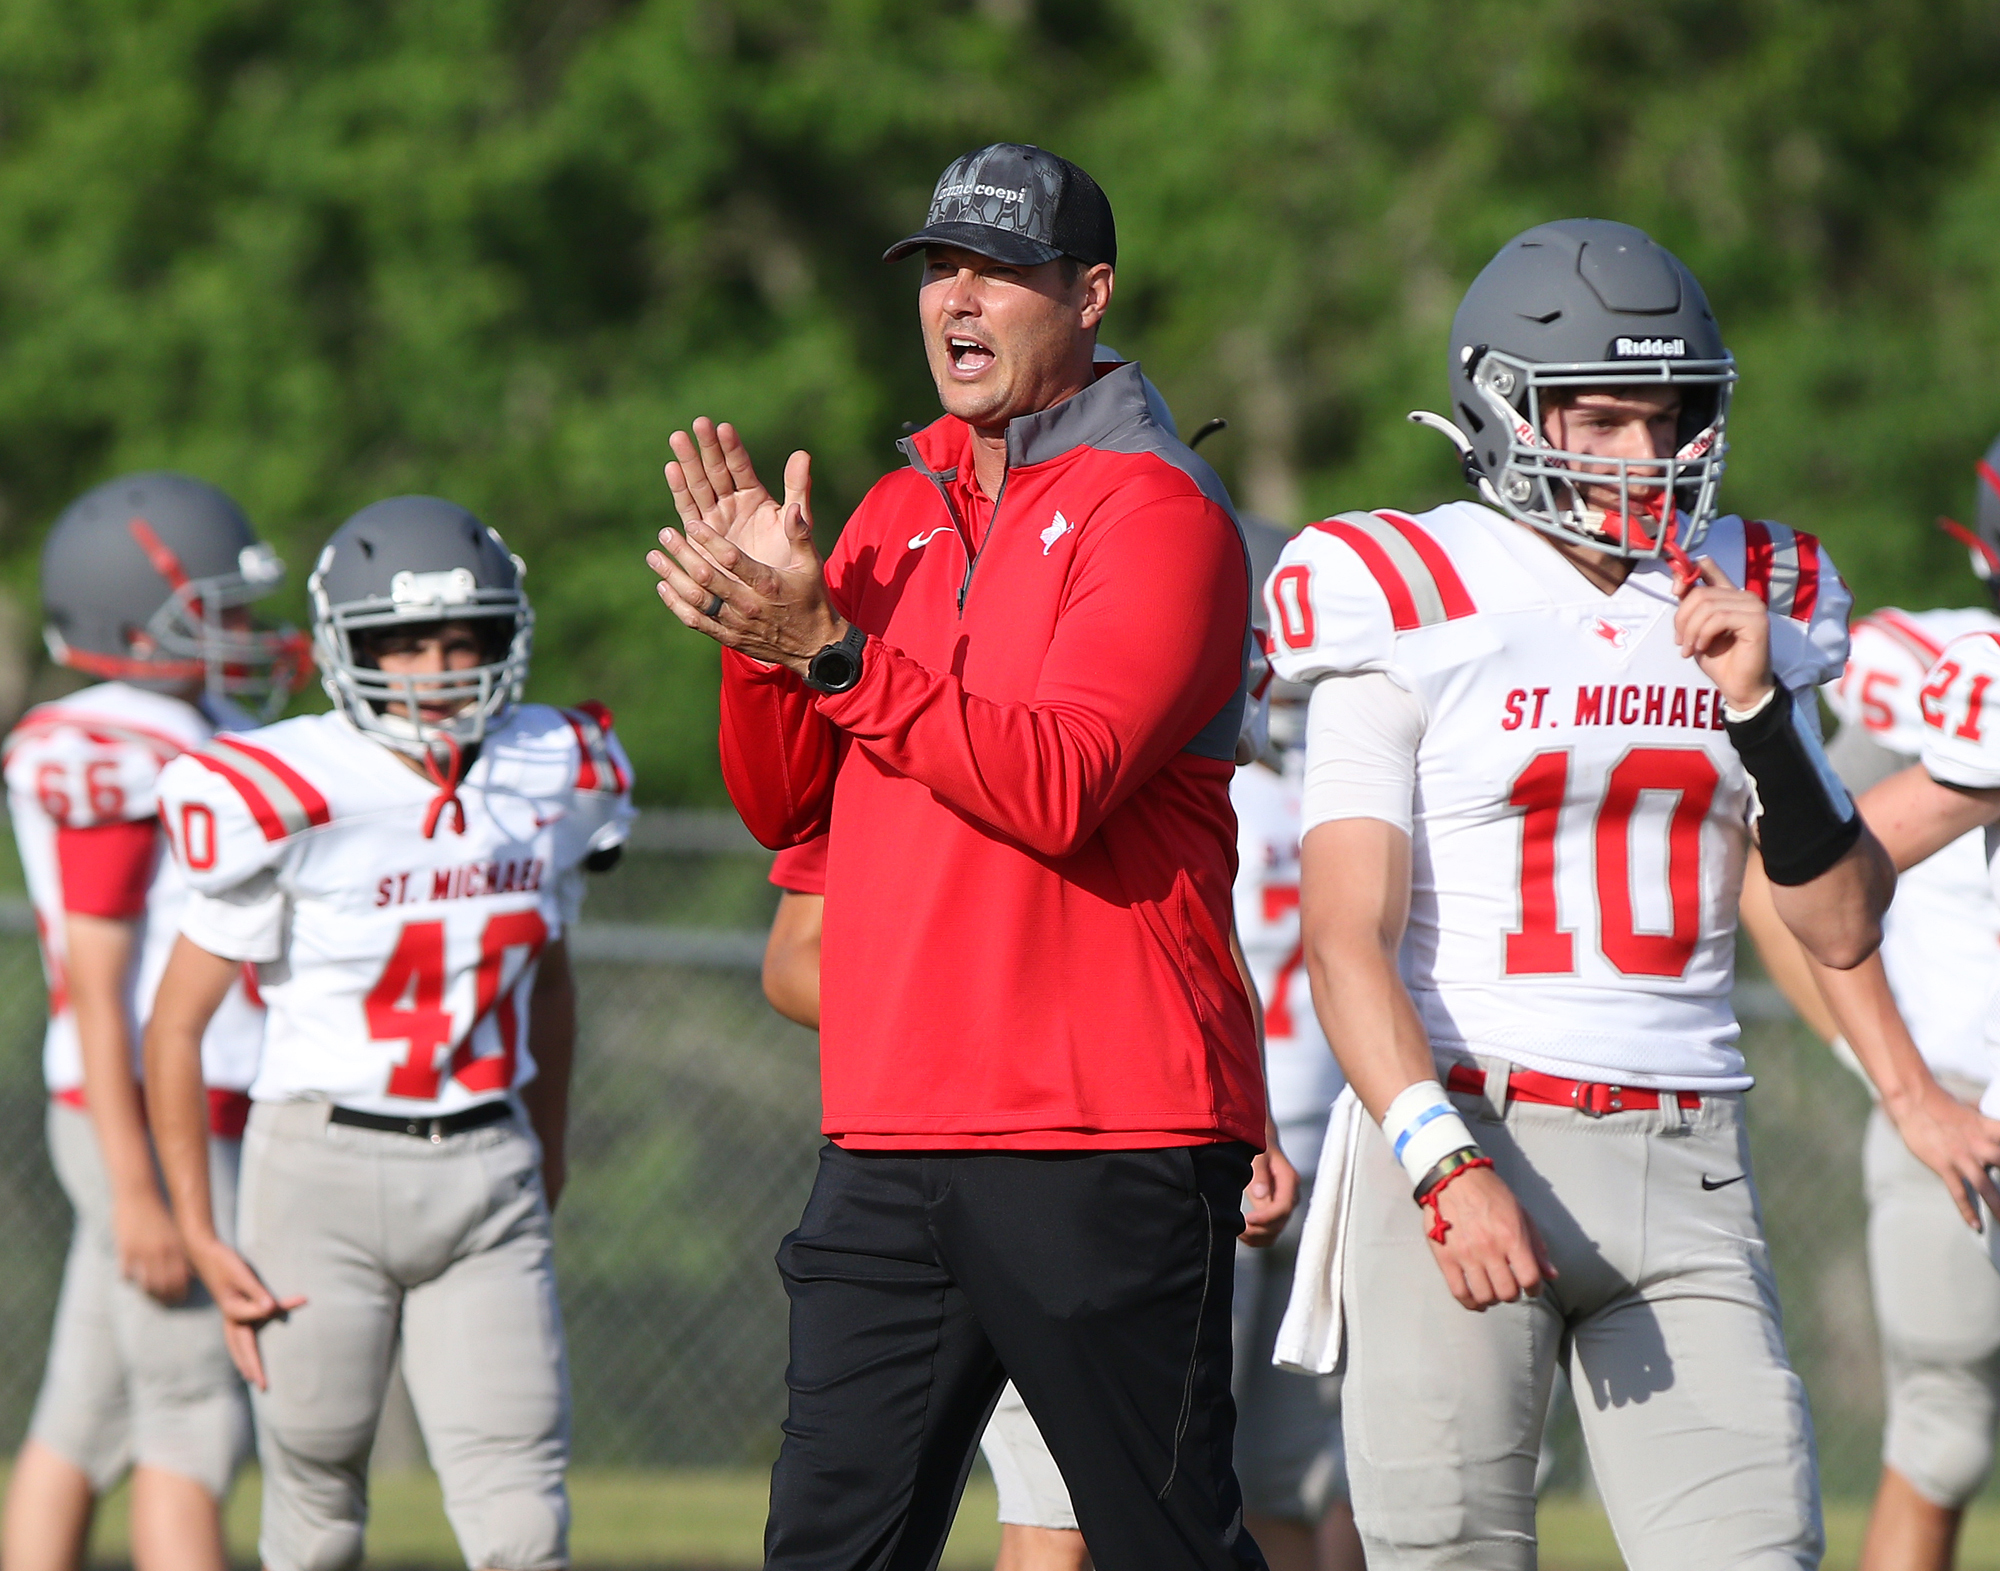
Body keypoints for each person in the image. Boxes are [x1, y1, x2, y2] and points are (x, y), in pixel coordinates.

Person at [651, 141, 1268, 1570]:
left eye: (999, 269)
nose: (958, 300)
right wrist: (766, 638)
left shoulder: (1160, 511)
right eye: (939, 269)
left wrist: (828, 649)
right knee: (826, 1547)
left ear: (1091, 293)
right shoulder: (894, 509)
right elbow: (781, 803)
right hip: (889, 1129)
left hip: (1103, 1131)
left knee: (1161, 1546)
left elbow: (1058, 782)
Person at [1267, 218, 1898, 1570]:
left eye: (1667, 420)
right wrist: (1443, 1165)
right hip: (1471, 1126)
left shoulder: (1761, 590)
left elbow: (1843, 923)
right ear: (1504, 407)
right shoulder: (1404, 583)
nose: (1641, 458)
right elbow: (1345, 935)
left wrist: (1763, 710)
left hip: (1691, 1153)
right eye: (1599, 418)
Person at [140, 497, 634, 1571]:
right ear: (344, 647)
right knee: (315, 1502)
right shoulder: (283, 783)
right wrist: (197, 1220)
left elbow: (549, 976)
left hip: (486, 1159)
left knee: (523, 1511)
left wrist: (544, 1145)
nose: (438, 667)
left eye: (464, 639)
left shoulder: (555, 767)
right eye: (402, 642)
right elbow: (174, 1025)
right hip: (318, 1166)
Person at [1, 472, 301, 1571]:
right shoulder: (105, 743)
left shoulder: (198, 723)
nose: (243, 633)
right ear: (136, 621)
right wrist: (138, 1186)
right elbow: (96, 977)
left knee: (84, 1414)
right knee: (194, 1412)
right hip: (139, 1111)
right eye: (214, 611)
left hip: (191, 1103)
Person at [1783, 440, 2000, 1571]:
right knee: (1943, 1435)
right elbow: (1796, 879)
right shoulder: (1955, 678)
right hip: (1964, 1103)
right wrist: (1892, 1080)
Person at [1227, 518, 1363, 1571]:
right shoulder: (1353, 784)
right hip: (1331, 1143)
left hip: (1234, 1146)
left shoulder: (1194, 783)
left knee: (1219, 1465)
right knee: (1291, 1474)